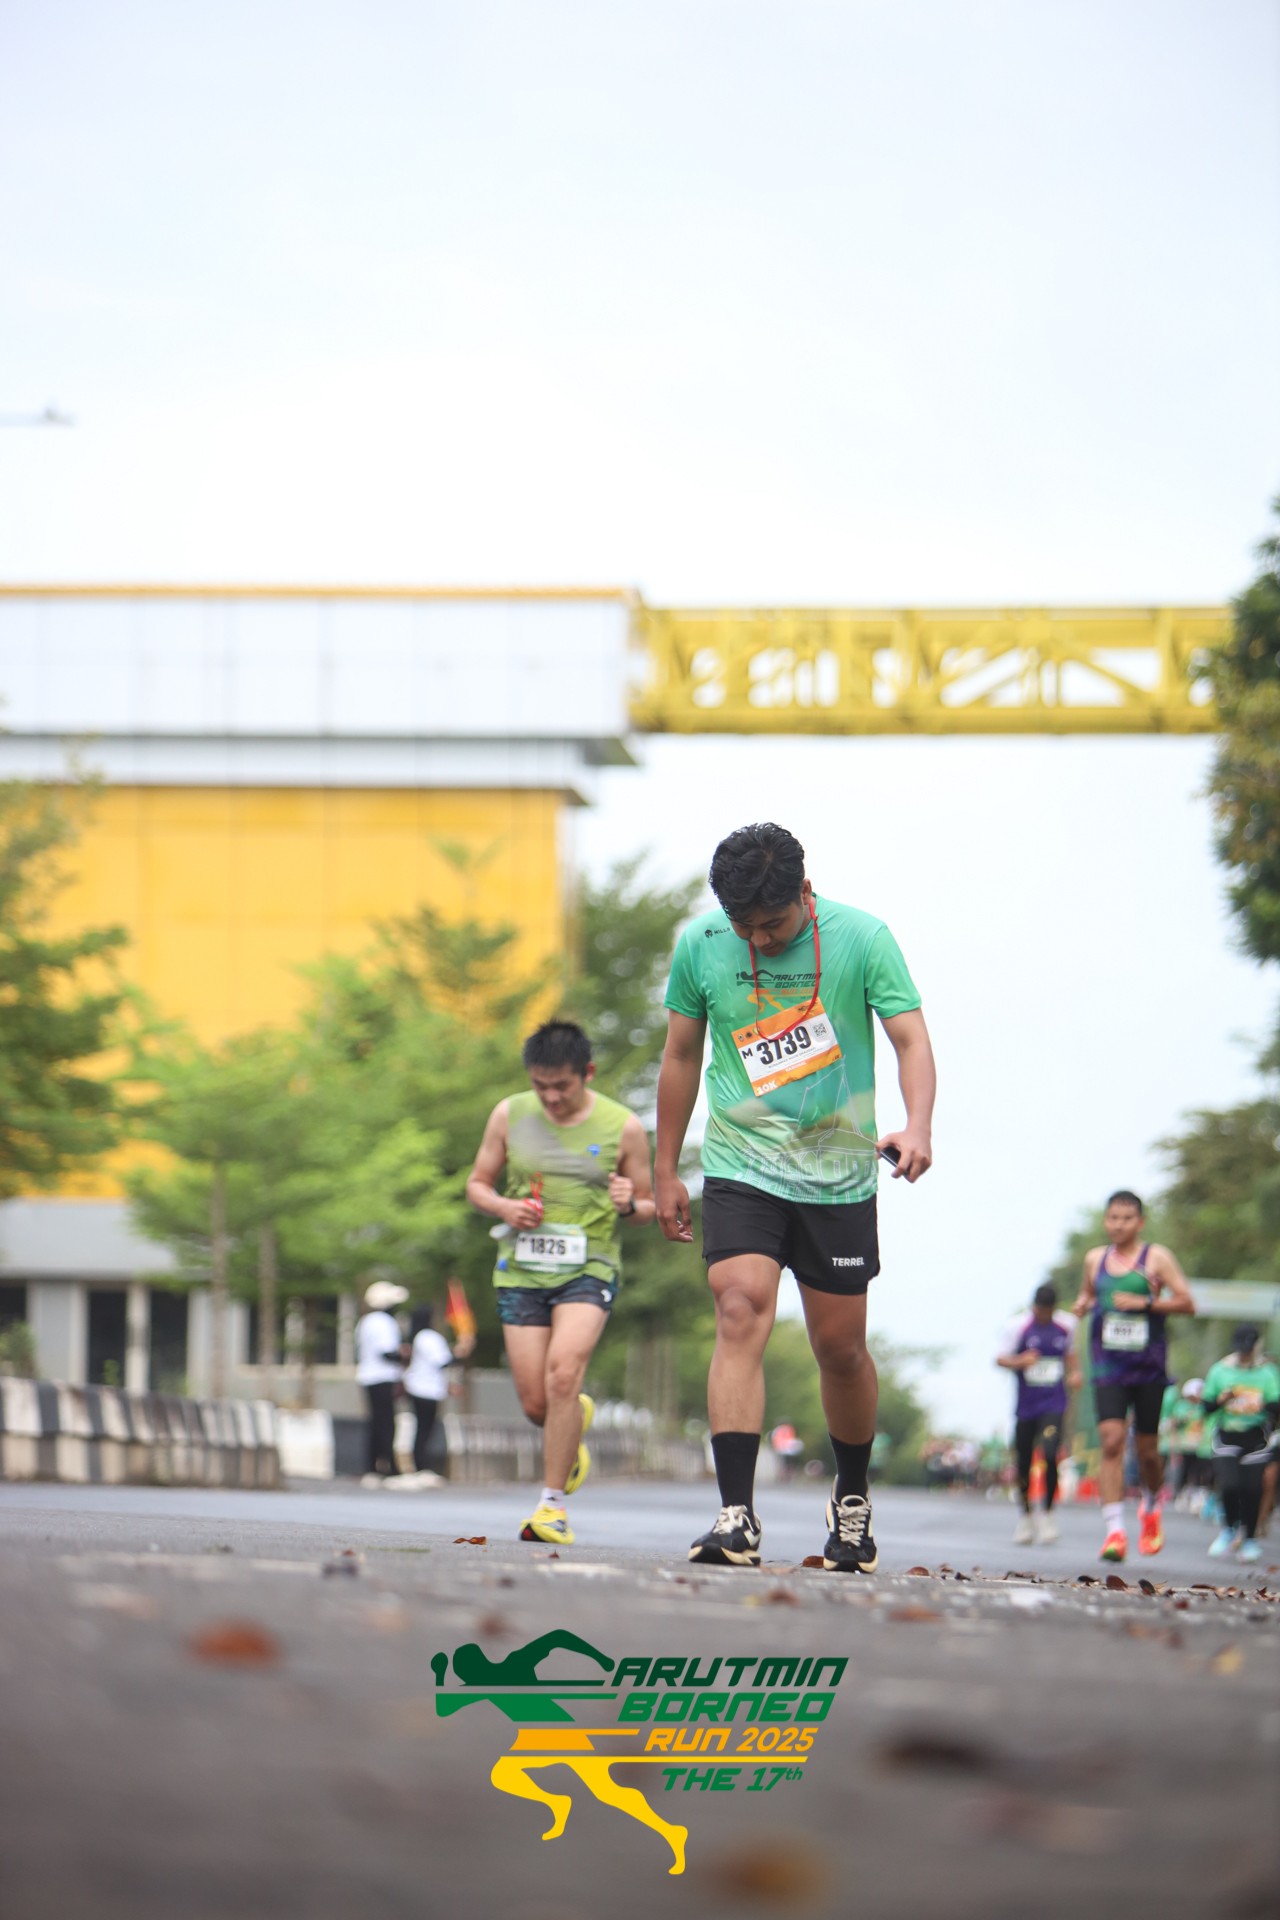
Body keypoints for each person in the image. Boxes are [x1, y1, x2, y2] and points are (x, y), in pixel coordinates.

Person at [655, 822, 935, 1573]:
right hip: (741, 1163)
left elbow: (910, 1039)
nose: (759, 939)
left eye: (772, 924)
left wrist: (917, 1125)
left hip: (837, 1170)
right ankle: (736, 1514)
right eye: (744, 926)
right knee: (739, 1305)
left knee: (839, 1349)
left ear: (805, 893)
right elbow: (680, 1055)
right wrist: (664, 1168)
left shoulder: (863, 938)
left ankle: (852, 1496)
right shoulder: (701, 944)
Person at [466, 1019, 655, 1545]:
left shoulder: (623, 1127)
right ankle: (572, 1425)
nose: (550, 1097)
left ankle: (551, 1508)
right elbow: (477, 1184)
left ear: (586, 1073)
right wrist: (504, 1206)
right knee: (536, 1403)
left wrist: (629, 1204)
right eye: (540, 1085)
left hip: (588, 1268)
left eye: (562, 1086)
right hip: (521, 1270)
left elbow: (647, 1207)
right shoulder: (509, 1113)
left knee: (563, 1374)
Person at [1071, 1191, 1195, 1562]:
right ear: (1105, 1220)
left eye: (1126, 1218)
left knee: (1147, 1452)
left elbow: (1187, 1302)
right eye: (1113, 1218)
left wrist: (1146, 1303)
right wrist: (1083, 1304)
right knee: (1111, 1442)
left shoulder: (1156, 1257)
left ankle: (1151, 1506)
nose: (1118, 1225)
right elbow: (1088, 1294)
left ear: (1140, 1222)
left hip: (1148, 1367)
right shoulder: (1095, 1259)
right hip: (1107, 1365)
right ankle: (1115, 1533)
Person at [996, 1282, 1081, 1545]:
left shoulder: (1066, 1325)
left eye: (1048, 1311)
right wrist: (1020, 1361)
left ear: (1054, 1309)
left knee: (1051, 1453)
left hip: (1054, 1403)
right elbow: (1000, 1358)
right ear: (1034, 1307)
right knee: (1023, 1460)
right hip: (1026, 1406)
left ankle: (1048, 1513)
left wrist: (1075, 1373)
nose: (1043, 1315)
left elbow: (1071, 1354)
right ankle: (1025, 1516)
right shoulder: (1017, 1326)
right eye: (1040, 1310)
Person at [1204, 1324, 1280, 1565]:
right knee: (1230, 1485)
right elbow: (1206, 1407)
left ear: (1256, 1347)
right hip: (1227, 1436)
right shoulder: (1220, 1370)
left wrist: (1259, 1404)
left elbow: (1276, 1405)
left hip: (1256, 1438)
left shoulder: (1267, 1373)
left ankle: (1249, 1539)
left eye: (1249, 1349)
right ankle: (1228, 1529)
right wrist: (1222, 1399)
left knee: (1253, 1489)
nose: (1245, 1353)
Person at [391, 1305, 475, 1489]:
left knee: (423, 1429)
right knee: (425, 1430)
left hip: (422, 1388)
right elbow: (442, 1362)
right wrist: (461, 1351)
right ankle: (421, 1467)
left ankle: (421, 1466)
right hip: (425, 1391)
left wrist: (448, 1386)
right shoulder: (428, 1337)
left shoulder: (419, 1337)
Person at [355, 1279, 409, 1483]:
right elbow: (386, 1353)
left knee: (376, 1422)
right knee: (386, 1423)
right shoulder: (383, 1322)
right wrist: (405, 1355)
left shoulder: (366, 1321)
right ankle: (388, 1466)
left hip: (369, 1377)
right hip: (382, 1377)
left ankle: (372, 1465)